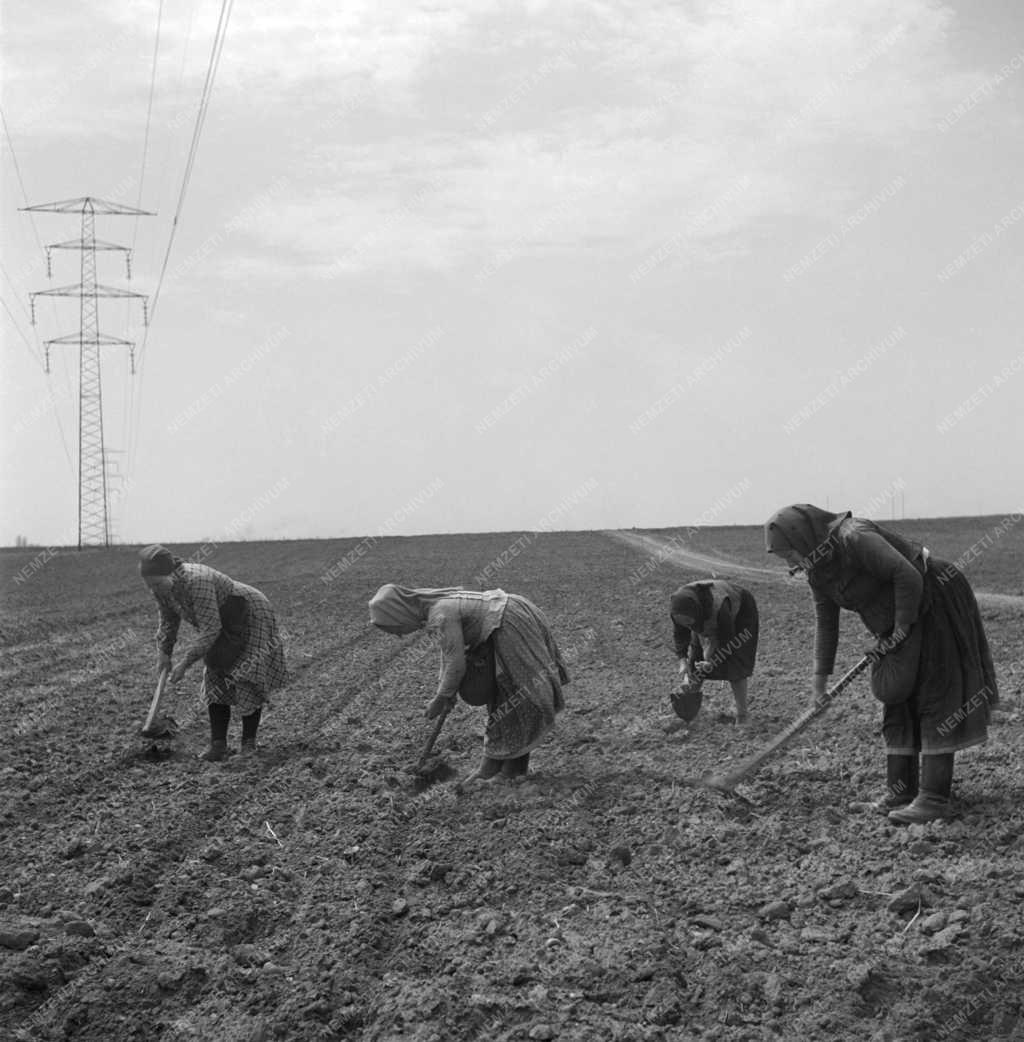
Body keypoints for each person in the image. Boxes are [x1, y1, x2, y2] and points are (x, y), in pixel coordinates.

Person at [764, 504, 998, 824]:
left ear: (802, 538)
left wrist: (901, 629)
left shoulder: (854, 537)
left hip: (934, 597)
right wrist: (819, 685)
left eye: (789, 553)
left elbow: (907, 575)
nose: (790, 562)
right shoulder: (819, 572)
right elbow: (826, 625)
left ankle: (933, 798)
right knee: (897, 698)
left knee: (935, 692)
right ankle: (900, 792)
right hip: (894, 622)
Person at [369, 584, 569, 781]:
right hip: (507, 619)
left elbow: (456, 664)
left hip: (509, 623)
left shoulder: (440, 614)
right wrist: (446, 691)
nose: (399, 634)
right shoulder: (438, 612)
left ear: (399, 613)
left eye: (395, 628)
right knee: (503, 700)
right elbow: (447, 655)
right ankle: (492, 767)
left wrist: (441, 698)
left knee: (518, 696)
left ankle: (512, 771)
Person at [138, 544, 287, 761]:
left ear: (171, 573)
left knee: (245, 675)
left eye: (157, 583)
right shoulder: (162, 589)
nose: (155, 589)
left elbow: (210, 629)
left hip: (249, 613)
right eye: (149, 586)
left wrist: (185, 663)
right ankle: (218, 746)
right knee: (215, 676)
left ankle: (248, 746)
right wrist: (164, 653)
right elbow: (169, 621)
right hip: (220, 621)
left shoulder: (197, 581)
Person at [669, 580, 759, 723]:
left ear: (695, 612)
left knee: (736, 665)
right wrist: (682, 661)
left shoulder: (719, 607)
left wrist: (712, 662)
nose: (685, 625)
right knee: (695, 661)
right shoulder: (680, 610)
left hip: (740, 613)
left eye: (688, 622)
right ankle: (690, 710)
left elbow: (727, 642)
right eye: (682, 622)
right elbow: (680, 634)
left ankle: (742, 716)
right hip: (704, 616)